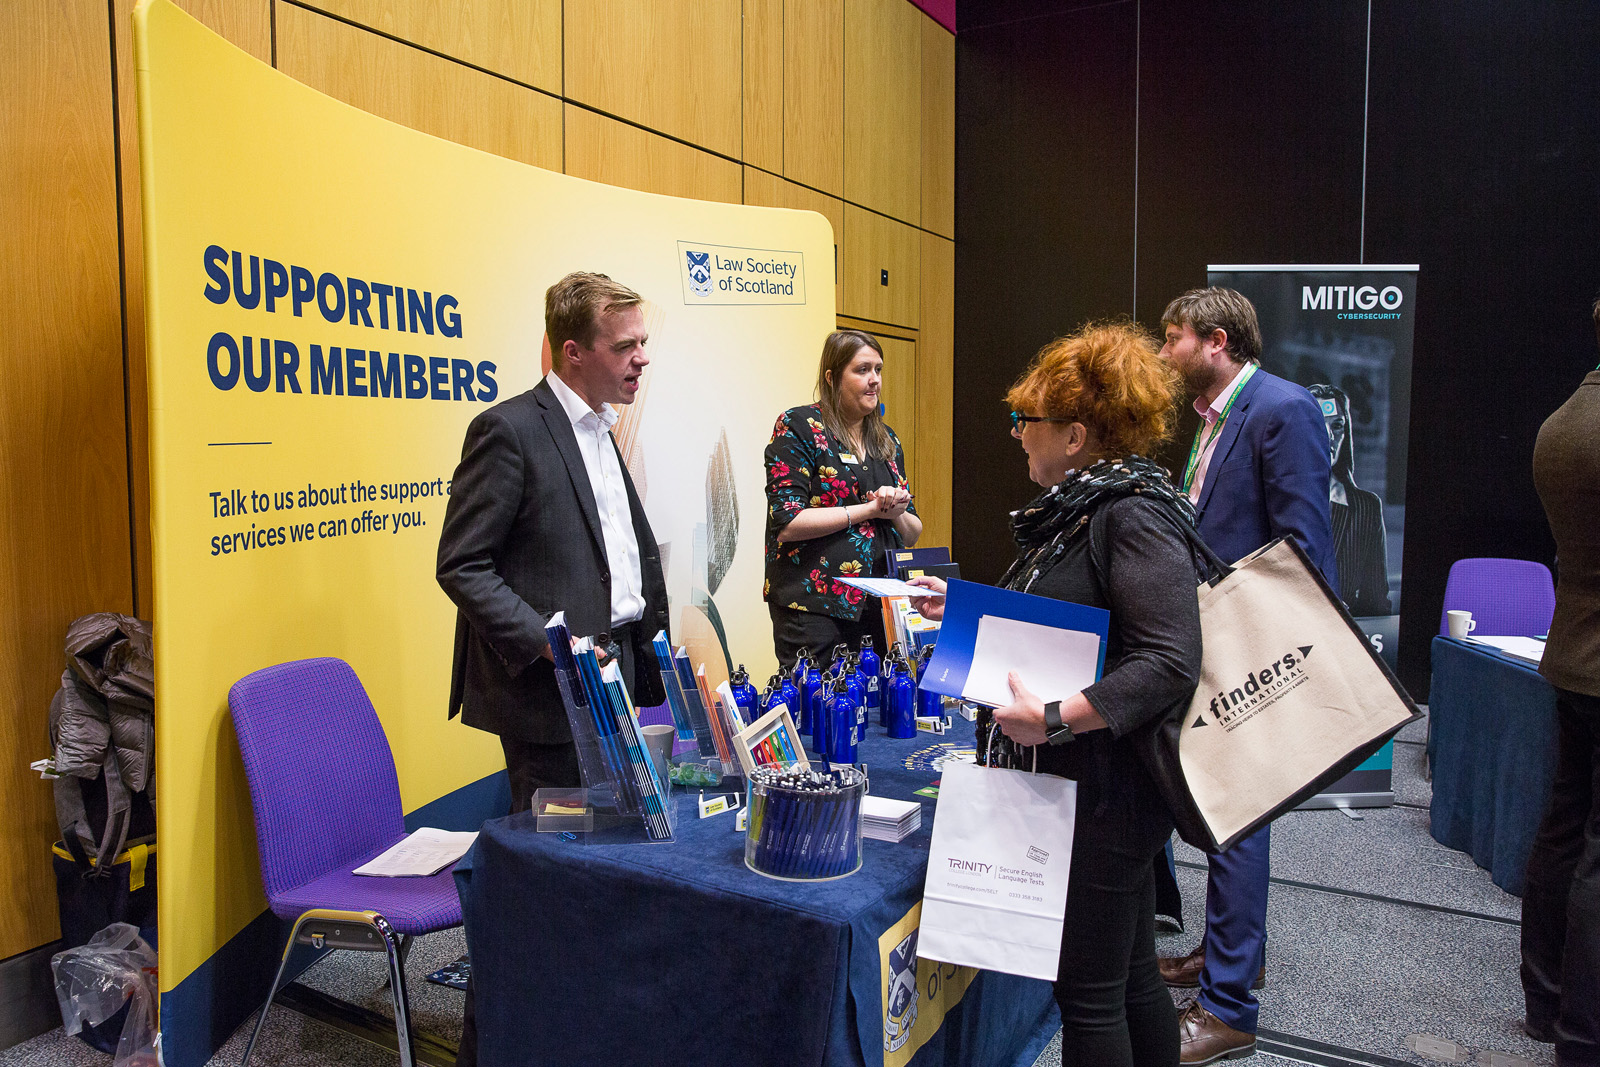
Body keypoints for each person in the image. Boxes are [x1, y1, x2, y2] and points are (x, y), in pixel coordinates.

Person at [909, 322, 1202, 1067]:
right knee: (1132, 975)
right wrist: (967, 606)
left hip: (1106, 792)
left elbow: (1169, 660)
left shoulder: (1129, 510)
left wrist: (1051, 719)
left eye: (1025, 421)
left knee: (1092, 995)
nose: (1016, 435)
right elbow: (1071, 619)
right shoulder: (1084, 508)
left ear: (1074, 435)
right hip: (1101, 786)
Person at [1155, 287, 1338, 1064]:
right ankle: (1225, 955)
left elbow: (1305, 546)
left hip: (1249, 645)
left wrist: (1261, 642)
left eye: (1173, 339)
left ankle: (1230, 1006)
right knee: (1215, 811)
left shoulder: (1283, 408)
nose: (1165, 355)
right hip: (1204, 640)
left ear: (1216, 340)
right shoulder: (1213, 420)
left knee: (1239, 821)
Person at [437, 271, 671, 814]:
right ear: (573, 352)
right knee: (559, 866)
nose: (642, 358)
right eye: (624, 346)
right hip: (550, 692)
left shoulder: (601, 428)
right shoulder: (508, 431)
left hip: (616, 674)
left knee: (612, 848)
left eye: (643, 343)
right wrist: (550, 642)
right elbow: (462, 564)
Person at [1521, 295, 1600, 1066]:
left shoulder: (1561, 422)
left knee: (1562, 829)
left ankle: (1544, 999)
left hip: (1571, 657)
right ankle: (1585, 1034)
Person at [764, 329, 920, 666]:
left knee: (877, 704)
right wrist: (868, 509)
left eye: (878, 370)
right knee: (817, 706)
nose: (874, 380)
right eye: (862, 370)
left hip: (879, 603)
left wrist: (895, 509)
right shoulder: (799, 426)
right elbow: (789, 522)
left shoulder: (886, 439)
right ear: (833, 378)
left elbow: (912, 532)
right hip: (813, 604)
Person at [1308, 383, 1392, 616]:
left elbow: (1375, 600)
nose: (1329, 436)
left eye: (1337, 426)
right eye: (1317, 424)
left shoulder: (1366, 507)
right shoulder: (1274, 495)